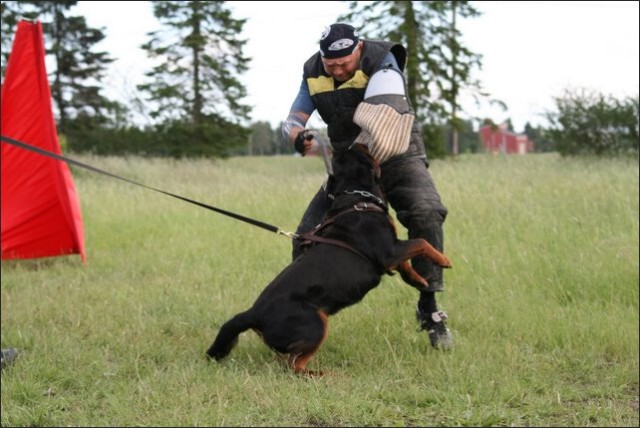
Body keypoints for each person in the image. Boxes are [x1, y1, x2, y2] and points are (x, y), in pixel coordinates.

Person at [281, 23, 453, 349]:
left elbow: (382, 119)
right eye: (331, 65)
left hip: (396, 152)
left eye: (344, 63)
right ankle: (296, 315)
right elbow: (293, 120)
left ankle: (429, 308)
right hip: (350, 164)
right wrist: (299, 138)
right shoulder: (314, 72)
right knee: (306, 234)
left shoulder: (383, 63)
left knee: (427, 212)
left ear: (358, 48)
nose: (338, 70)